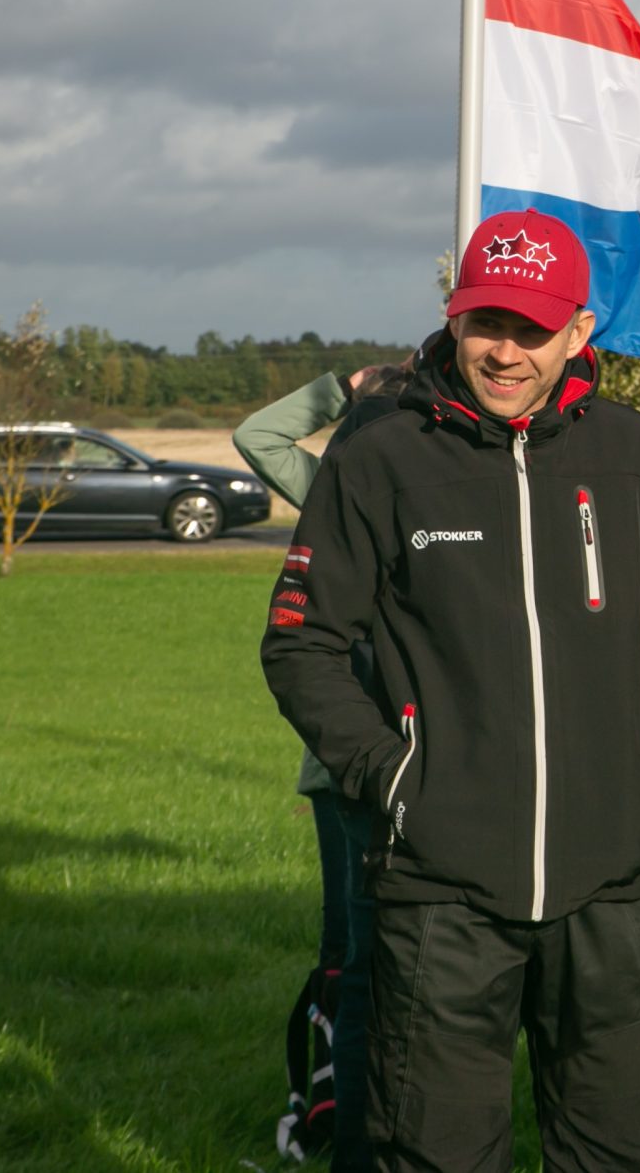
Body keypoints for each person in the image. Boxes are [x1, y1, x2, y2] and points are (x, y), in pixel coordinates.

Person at [262, 208, 640, 1173]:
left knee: (617, 1152)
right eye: (487, 323)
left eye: (532, 328)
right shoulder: (382, 456)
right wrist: (395, 780)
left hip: (613, 887)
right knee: (433, 1153)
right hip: (439, 889)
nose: (506, 352)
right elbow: (302, 641)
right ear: (454, 315)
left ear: (578, 330)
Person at [235, 357, 412, 1172]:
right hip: (392, 756)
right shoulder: (418, 494)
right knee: (369, 952)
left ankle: (336, 1108)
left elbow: (258, 436)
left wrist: (342, 387)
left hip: (340, 760)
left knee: (349, 947)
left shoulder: (332, 494)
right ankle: (350, 1109)